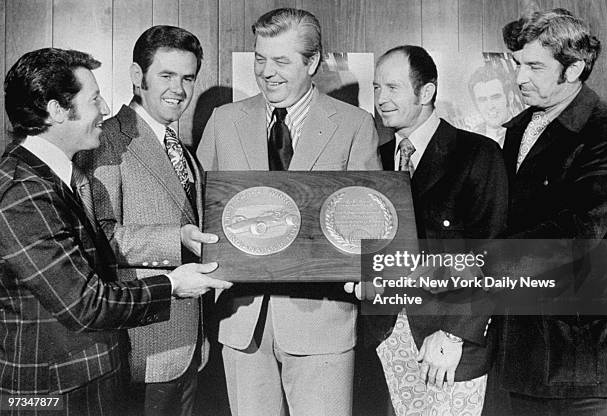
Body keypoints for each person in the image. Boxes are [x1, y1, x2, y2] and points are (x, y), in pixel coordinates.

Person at [0, 48, 231, 416]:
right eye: (93, 99)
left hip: (87, 380)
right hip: (53, 394)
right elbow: (84, 303)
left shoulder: (52, 178)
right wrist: (172, 285)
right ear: (57, 110)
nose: (105, 107)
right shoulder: (21, 193)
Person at [196, 8, 381, 416]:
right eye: (260, 59)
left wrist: (367, 274)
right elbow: (200, 210)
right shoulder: (223, 121)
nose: (267, 72)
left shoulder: (353, 125)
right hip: (242, 323)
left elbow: (372, 222)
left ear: (312, 62)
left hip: (323, 324)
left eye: (281, 61)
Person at [77, 26, 214, 415]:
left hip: (191, 346)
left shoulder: (184, 151)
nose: (180, 89)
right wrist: (177, 239)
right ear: (138, 77)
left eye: (188, 77)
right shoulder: (105, 141)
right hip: (142, 348)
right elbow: (98, 234)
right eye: (166, 76)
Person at [483, 8, 607, 416]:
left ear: (573, 69)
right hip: (518, 353)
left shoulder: (603, 133)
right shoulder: (521, 127)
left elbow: (579, 230)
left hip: (576, 360)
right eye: (518, 65)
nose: (520, 78)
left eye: (535, 66)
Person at [372, 45, 508, 416]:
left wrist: (454, 333)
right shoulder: (376, 160)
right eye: (376, 88)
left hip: (450, 344)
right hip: (387, 334)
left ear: (426, 92)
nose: (381, 99)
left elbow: (493, 255)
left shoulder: (477, 154)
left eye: (393, 88)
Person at [467, 63, 513, 147]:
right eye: (483, 100)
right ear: (476, 105)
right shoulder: (471, 140)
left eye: (496, 97)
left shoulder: (526, 131)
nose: (490, 106)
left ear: (510, 98)